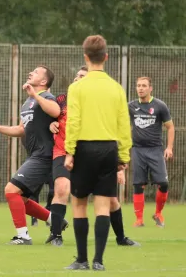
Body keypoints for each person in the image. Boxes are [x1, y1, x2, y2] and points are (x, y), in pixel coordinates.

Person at [49, 66, 139, 247]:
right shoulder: (60, 99)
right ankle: (55, 235)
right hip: (63, 151)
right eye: (77, 75)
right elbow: (48, 115)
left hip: (90, 153)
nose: (77, 78)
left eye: (82, 76)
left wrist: (120, 158)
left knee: (111, 200)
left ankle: (121, 238)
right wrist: (50, 124)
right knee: (61, 189)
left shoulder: (96, 102)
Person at [64, 35, 132, 271]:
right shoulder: (116, 88)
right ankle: (98, 261)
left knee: (79, 204)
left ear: (85, 57)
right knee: (103, 206)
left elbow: (73, 121)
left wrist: (70, 151)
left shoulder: (77, 87)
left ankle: (81, 260)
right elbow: (124, 124)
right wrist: (124, 155)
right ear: (106, 57)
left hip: (84, 148)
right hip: (108, 149)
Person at [0, 66, 64, 245]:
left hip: (44, 156)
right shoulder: (27, 102)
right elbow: (21, 129)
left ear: (43, 81)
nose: (30, 73)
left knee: (11, 190)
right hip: (34, 155)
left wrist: (35, 95)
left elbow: (56, 111)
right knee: (22, 198)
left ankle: (23, 236)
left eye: (35, 72)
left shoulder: (46, 97)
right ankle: (55, 220)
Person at [128, 76, 175, 228]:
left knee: (163, 183)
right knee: (138, 184)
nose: (140, 88)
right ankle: (139, 219)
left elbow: (170, 127)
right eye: (138, 85)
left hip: (155, 150)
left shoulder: (160, 106)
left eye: (144, 85)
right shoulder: (131, 106)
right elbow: (119, 120)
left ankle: (158, 213)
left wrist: (169, 148)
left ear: (150, 88)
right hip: (138, 150)